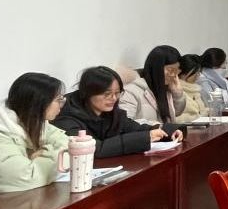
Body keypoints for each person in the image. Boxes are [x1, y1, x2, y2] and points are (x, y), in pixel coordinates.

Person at [53, 66, 182, 158]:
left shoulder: (111, 112)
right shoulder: (65, 115)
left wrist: (167, 131)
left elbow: (135, 128)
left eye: (117, 93)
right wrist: (146, 137)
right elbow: (95, 149)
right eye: (107, 94)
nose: (114, 98)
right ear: (88, 93)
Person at [0, 73, 70, 194]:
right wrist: (56, 157)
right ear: (39, 102)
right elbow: (26, 177)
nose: (61, 105)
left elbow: (70, 146)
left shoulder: (37, 122)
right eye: (58, 100)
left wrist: (44, 153)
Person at [120, 45, 187, 124]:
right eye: (170, 70)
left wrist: (178, 95)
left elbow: (176, 113)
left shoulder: (166, 88)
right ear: (156, 68)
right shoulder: (131, 92)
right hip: (149, 132)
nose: (173, 75)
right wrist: (155, 126)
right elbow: (125, 123)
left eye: (176, 71)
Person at [174, 54, 209, 124]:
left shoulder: (195, 89)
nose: (198, 75)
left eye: (199, 72)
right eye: (195, 73)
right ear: (183, 73)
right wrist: (199, 116)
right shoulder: (176, 91)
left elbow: (201, 111)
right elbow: (175, 119)